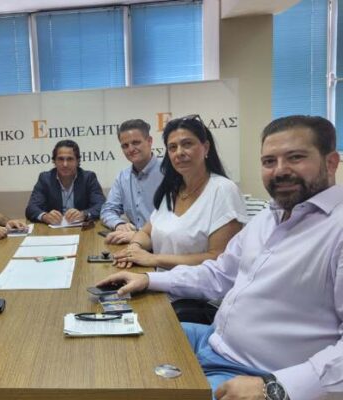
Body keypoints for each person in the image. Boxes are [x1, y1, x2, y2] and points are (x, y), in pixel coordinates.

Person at [98, 115, 343, 400]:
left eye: (295, 157)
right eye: (269, 161)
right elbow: (218, 273)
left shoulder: (336, 229)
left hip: (256, 373)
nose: (280, 170)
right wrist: (147, 280)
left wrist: (277, 388)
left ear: (331, 162)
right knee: (116, 345)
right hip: (213, 341)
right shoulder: (267, 218)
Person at [112, 115, 247, 271]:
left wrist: (153, 259)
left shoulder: (223, 190)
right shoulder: (172, 190)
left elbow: (219, 257)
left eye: (187, 144)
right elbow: (147, 233)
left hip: (199, 286)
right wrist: (134, 248)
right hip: (162, 280)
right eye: (172, 147)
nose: (179, 152)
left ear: (206, 147)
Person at [101, 119, 163, 244]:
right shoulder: (122, 177)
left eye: (136, 143)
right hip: (133, 243)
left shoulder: (168, 172)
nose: (130, 149)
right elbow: (108, 210)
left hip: (162, 245)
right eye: (125, 145)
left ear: (149, 141)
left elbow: (176, 222)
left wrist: (140, 236)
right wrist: (119, 224)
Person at [25, 140, 105, 224]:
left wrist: (84, 214)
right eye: (60, 159)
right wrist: (45, 216)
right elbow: (31, 208)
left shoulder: (88, 178)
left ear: (77, 161)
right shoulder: (45, 179)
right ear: (54, 161)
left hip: (81, 228)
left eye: (70, 159)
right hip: (53, 229)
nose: (65, 164)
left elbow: (101, 205)